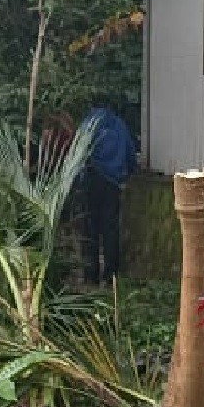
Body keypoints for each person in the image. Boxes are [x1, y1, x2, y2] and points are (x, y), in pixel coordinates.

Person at [72, 103, 137, 280]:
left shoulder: (87, 124)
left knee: (89, 229)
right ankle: (111, 275)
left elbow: (77, 155)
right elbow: (130, 154)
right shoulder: (119, 125)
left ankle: (90, 274)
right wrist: (128, 173)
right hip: (112, 183)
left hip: (90, 180)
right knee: (110, 229)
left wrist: (76, 181)